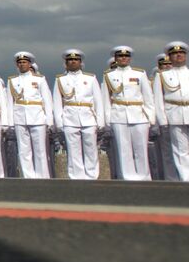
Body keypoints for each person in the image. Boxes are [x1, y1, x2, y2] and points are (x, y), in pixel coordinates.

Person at [102, 45, 156, 181]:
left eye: (126, 56)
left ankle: (144, 177)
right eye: (120, 56)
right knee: (123, 149)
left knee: (141, 149)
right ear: (115, 59)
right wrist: (108, 119)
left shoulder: (139, 74)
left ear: (130, 58)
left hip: (139, 114)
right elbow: (106, 100)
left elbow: (148, 97)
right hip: (118, 115)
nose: (123, 58)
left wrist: (150, 117)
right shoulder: (109, 75)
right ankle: (127, 177)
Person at [53, 49, 103, 180]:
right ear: (66, 63)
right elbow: (57, 102)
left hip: (88, 116)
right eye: (70, 60)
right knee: (73, 149)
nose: (73, 62)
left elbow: (98, 101)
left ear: (81, 62)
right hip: (70, 117)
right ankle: (76, 176)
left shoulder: (90, 78)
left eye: (76, 60)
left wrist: (100, 120)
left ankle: (92, 175)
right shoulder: (61, 79)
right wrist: (59, 122)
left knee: (90, 147)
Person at [155, 41, 188, 181]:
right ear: (169, 57)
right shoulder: (162, 76)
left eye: (181, 53)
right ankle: (186, 179)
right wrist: (162, 120)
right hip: (174, 114)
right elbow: (158, 100)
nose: (178, 55)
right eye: (174, 54)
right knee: (180, 150)